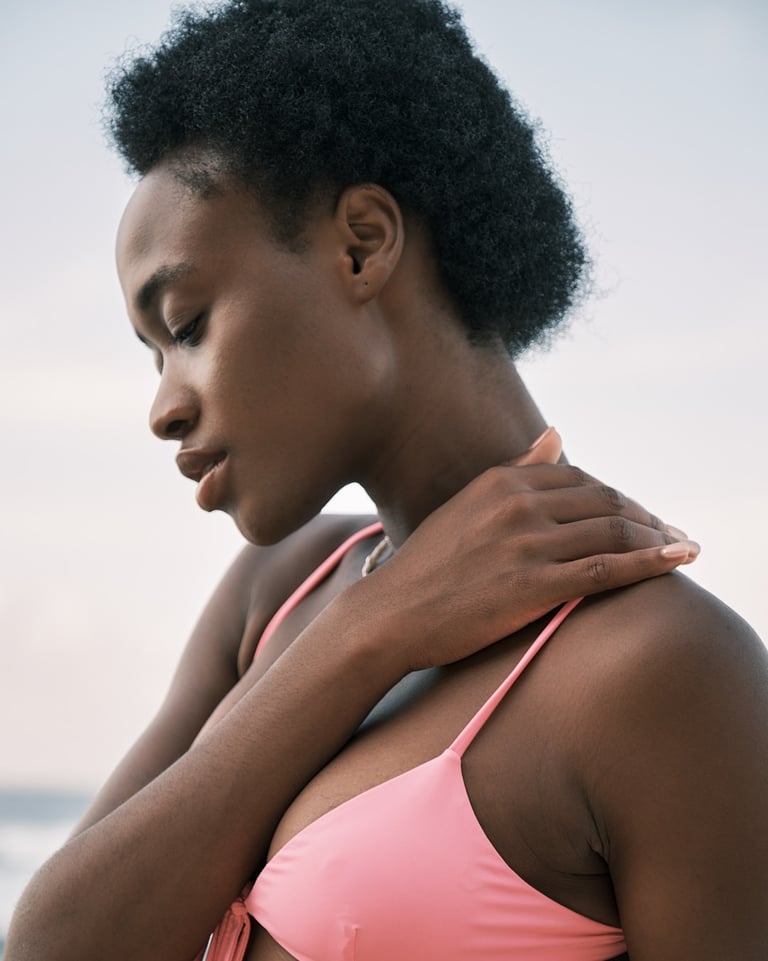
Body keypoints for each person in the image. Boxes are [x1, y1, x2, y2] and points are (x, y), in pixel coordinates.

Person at [6, 1, 767, 959]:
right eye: (152, 356)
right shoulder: (281, 596)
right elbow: (49, 945)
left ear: (363, 243)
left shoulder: (659, 668)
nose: (164, 406)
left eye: (188, 326)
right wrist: (370, 632)